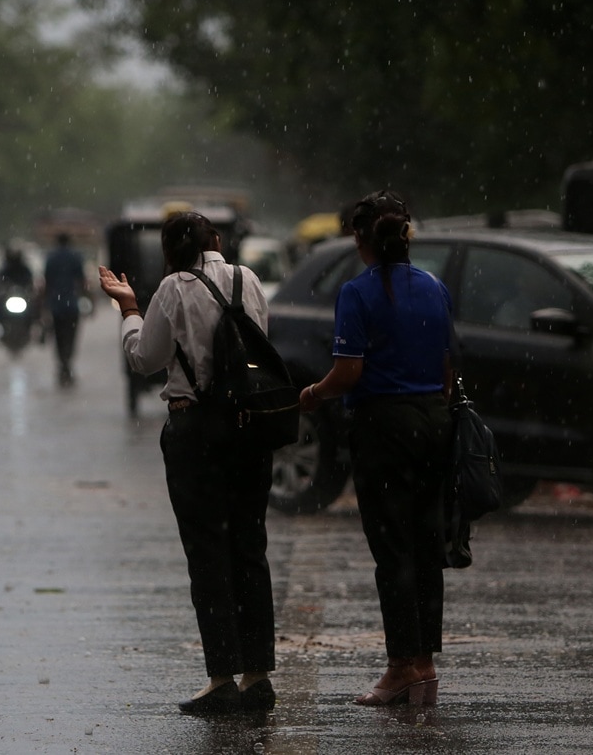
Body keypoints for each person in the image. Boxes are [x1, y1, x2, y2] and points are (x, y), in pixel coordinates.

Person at [97, 211, 276, 715]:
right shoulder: (250, 279)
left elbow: (144, 359)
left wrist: (131, 310)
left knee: (208, 553)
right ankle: (258, 674)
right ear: (216, 240)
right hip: (250, 427)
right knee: (249, 546)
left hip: (196, 430)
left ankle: (221, 677)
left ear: (169, 251)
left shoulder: (172, 289)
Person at [298, 190, 453, 707]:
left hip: (383, 429)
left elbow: (349, 372)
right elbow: (447, 368)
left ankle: (399, 669)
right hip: (434, 423)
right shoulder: (435, 288)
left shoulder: (357, 293)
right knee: (427, 547)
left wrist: (314, 394)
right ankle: (426, 665)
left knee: (393, 551)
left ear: (360, 240)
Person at [44, 232, 88, 387]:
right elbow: (82, 281)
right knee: (70, 337)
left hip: (56, 307)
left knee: (59, 338)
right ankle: (67, 364)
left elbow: (46, 282)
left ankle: (63, 364)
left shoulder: (51, 258)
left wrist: (44, 304)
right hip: (71, 306)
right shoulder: (75, 257)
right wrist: (88, 300)